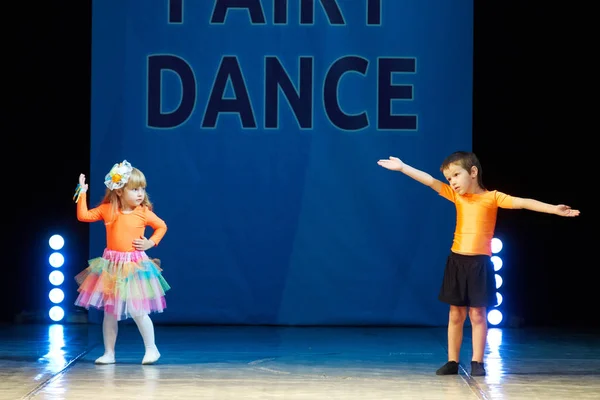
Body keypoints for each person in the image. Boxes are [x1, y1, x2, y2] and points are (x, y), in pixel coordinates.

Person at [377, 151, 580, 376]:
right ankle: (452, 361)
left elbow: (523, 203)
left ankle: (477, 362)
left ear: (473, 172)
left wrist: (554, 209)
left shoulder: (492, 198)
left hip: (480, 264)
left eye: (456, 175)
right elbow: (429, 180)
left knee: (477, 314)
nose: (451, 181)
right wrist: (404, 167)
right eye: (449, 178)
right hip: (457, 262)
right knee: (455, 314)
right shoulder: (457, 197)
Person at [73, 160, 171, 365]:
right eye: (134, 189)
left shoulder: (143, 212)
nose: (140, 193)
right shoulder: (107, 209)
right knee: (110, 312)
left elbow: (161, 226)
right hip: (112, 266)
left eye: (142, 189)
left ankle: (152, 349)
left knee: (137, 310)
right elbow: (84, 216)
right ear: (119, 191)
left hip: (134, 265)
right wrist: (82, 192)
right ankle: (109, 353)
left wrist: (150, 243)